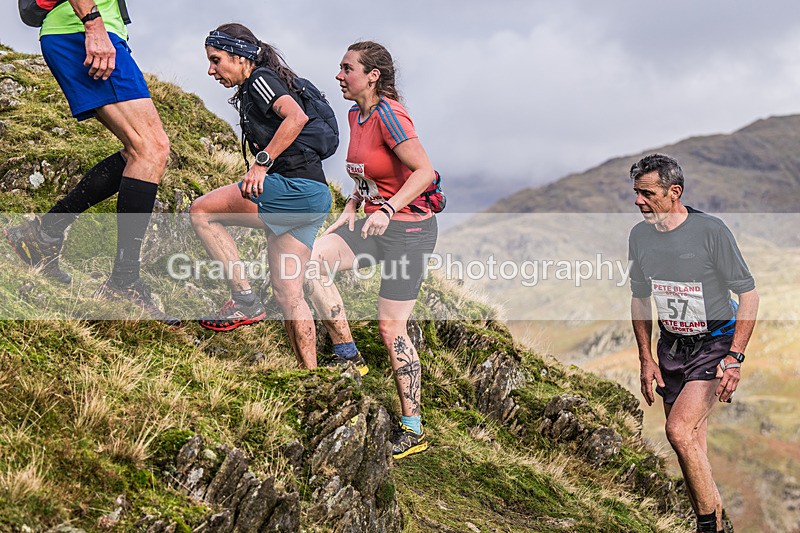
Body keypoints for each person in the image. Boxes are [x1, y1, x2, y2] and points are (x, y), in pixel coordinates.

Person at [5, 0, 177, 325]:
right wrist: (93, 23)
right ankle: (123, 283)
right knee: (151, 148)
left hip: (84, 31)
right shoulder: (89, 25)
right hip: (81, 30)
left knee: (138, 151)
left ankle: (42, 235)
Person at [308, 41, 438, 459]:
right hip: (369, 223)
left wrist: (386, 207)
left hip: (408, 232)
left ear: (372, 75)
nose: (339, 75)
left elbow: (424, 172)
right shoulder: (354, 114)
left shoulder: (391, 116)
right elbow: (368, 172)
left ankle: (413, 427)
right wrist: (353, 203)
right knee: (310, 263)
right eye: (340, 68)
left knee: (391, 329)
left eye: (347, 68)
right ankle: (348, 355)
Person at [628, 154, 759, 533]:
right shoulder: (639, 236)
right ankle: (718, 523)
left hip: (714, 344)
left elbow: (748, 295)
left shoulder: (710, 232)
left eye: (647, 193)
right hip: (672, 348)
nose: (638, 201)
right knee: (692, 446)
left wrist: (735, 357)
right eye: (635, 193)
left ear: (674, 192)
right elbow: (640, 297)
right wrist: (645, 358)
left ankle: (705, 528)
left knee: (678, 431)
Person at [190, 24, 332, 369]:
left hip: (294, 190)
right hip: (315, 195)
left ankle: (244, 300)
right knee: (288, 294)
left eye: (216, 59)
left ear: (240, 57)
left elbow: (295, 117)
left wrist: (261, 164)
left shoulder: (259, 79)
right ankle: (309, 374)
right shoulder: (258, 82)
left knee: (201, 212)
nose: (211, 69)